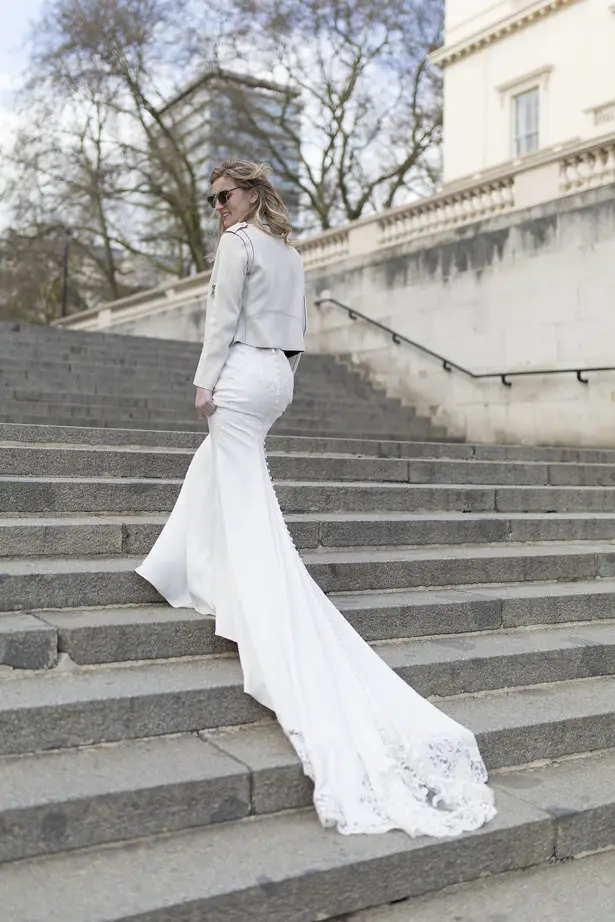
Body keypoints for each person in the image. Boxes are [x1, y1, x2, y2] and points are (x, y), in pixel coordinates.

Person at [136, 159, 496, 838]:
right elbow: (295, 334)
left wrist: (206, 379)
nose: (217, 207)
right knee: (218, 471)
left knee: (245, 498)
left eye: (223, 195)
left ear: (250, 193)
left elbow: (221, 316)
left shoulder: (239, 244)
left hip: (242, 370)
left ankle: (253, 599)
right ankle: (177, 567)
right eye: (212, 199)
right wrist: (269, 379)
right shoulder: (290, 256)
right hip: (278, 376)